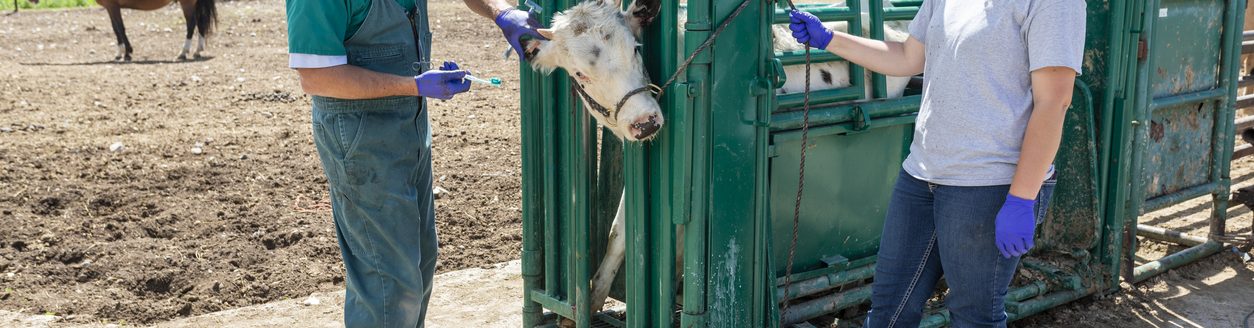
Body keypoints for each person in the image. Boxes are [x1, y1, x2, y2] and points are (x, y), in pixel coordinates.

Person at [789, 0, 1084, 327]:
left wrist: (1021, 199)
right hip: (922, 174)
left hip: (989, 183)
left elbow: (1054, 101)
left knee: (974, 318)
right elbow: (907, 57)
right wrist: (830, 38)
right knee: (888, 312)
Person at [284, 0, 543, 326]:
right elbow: (316, 76)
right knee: (389, 281)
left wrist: (500, 12)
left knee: (418, 264)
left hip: (410, 127)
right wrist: (413, 85)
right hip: (361, 141)